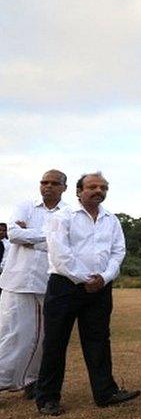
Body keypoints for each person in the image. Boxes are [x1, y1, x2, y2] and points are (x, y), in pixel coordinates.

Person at [34, 172, 140, 415]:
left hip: (100, 288)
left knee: (99, 341)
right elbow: (60, 255)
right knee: (55, 342)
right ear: (79, 191)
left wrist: (104, 277)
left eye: (103, 187)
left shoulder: (111, 219)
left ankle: (105, 392)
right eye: (92, 186)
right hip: (65, 286)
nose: (98, 191)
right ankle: (47, 398)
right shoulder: (63, 217)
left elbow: (118, 252)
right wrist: (84, 279)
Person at [0, 170, 69, 398]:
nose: (47, 186)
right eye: (44, 182)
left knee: (41, 337)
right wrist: (48, 236)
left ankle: (33, 381)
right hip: (16, 279)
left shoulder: (68, 213)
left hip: (46, 281)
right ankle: (3, 380)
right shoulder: (25, 206)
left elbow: (65, 245)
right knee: (12, 332)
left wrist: (31, 236)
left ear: (64, 187)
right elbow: (14, 234)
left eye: (53, 183)